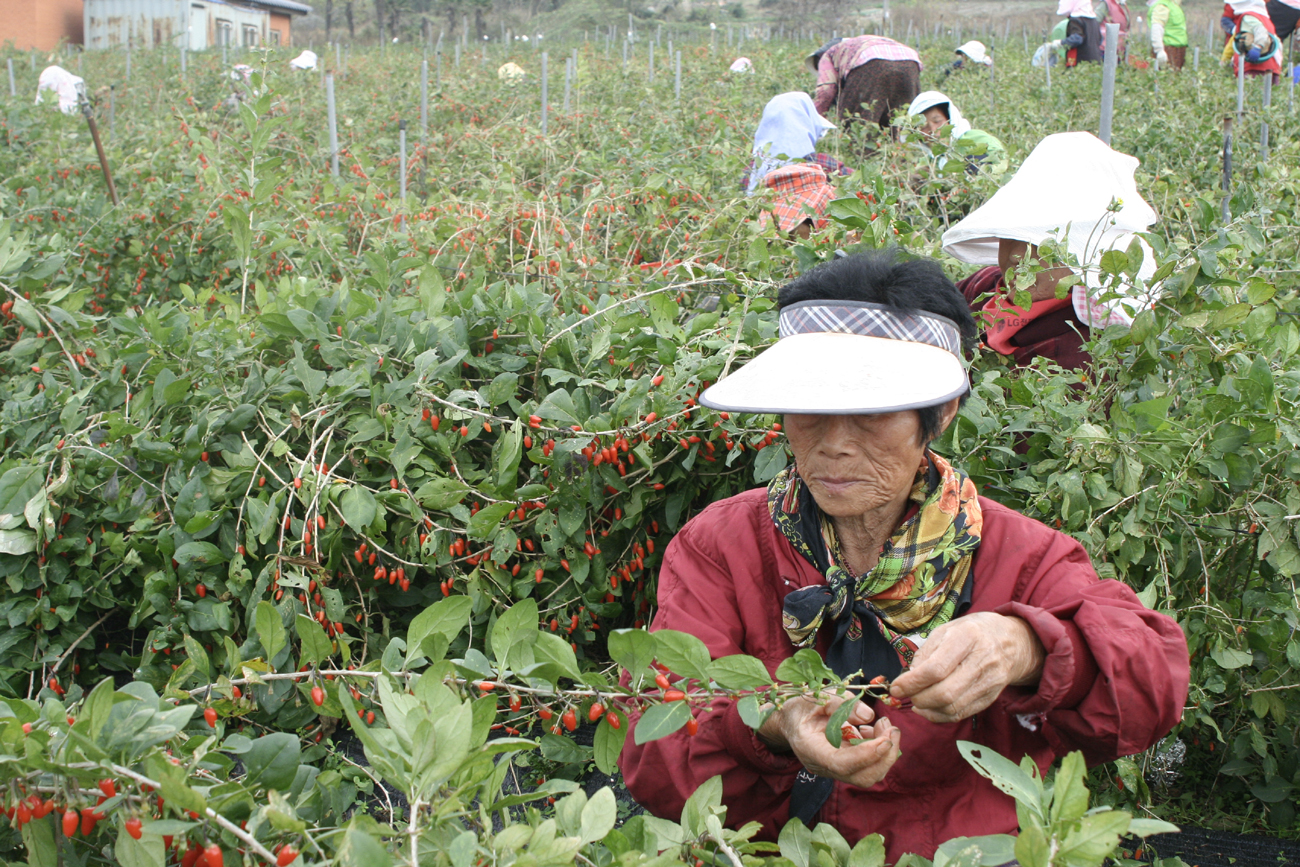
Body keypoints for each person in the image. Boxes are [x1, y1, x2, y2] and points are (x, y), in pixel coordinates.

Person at [618, 249, 1189, 863]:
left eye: (870, 411)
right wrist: (773, 723)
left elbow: (1151, 684)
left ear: (940, 413)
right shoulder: (723, 545)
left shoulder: (1020, 556)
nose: (834, 444)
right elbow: (654, 741)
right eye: (810, 409)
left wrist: (1025, 646)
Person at [941, 131, 1157, 369]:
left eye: (1038, 245)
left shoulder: (1086, 348)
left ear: (1085, 253)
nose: (1016, 256)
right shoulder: (987, 285)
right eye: (1011, 236)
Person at [806, 36, 922, 132]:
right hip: (910, 62)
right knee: (903, 124)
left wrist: (814, 120)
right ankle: (902, 157)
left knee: (857, 125)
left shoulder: (827, 55)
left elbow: (826, 92)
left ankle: (862, 157)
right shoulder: (861, 42)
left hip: (870, 62)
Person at [908, 91, 1009, 175]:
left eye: (937, 121)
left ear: (950, 119)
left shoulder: (978, 140)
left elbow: (1001, 164)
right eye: (924, 127)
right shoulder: (929, 161)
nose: (933, 131)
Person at [1221, 0, 1284, 79]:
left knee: (1250, 90)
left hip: (1253, 68)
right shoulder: (1264, 18)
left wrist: (1258, 47)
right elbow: (1277, 43)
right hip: (1272, 67)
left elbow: (1261, 32)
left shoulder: (1249, 17)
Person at [1050, 0, 1104, 65]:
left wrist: (1060, 43)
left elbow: (1077, 38)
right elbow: (1100, 38)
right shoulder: (1093, 20)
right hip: (1095, 60)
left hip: (1081, 62)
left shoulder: (1076, 20)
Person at [1148, 0, 1189, 69]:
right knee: (1166, 76)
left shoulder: (1173, 5)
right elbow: (1157, 28)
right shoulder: (1162, 6)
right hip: (1168, 49)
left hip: (1178, 50)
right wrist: (1159, 50)